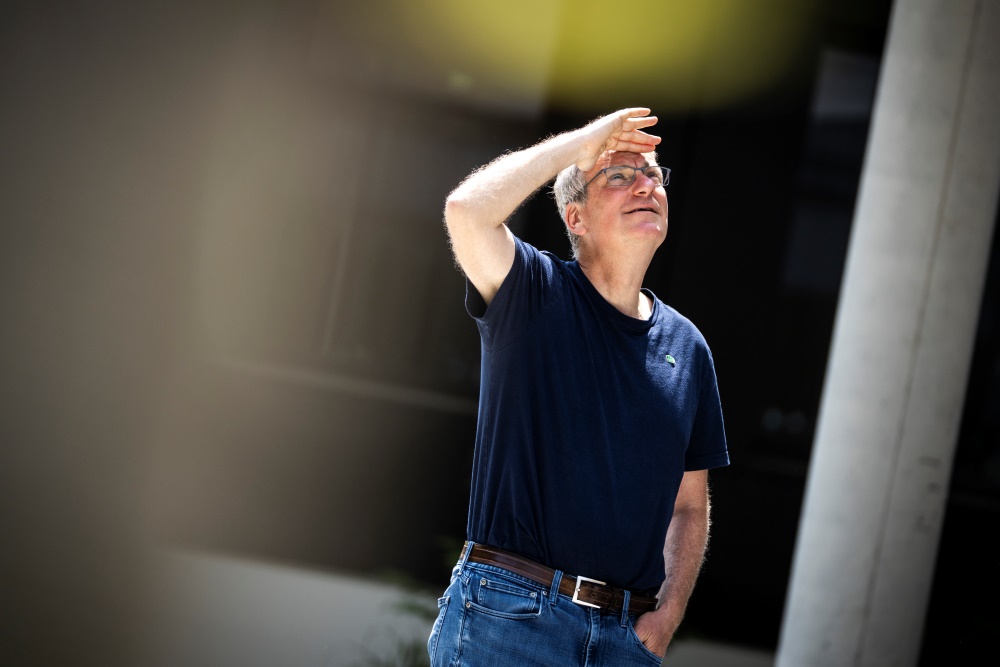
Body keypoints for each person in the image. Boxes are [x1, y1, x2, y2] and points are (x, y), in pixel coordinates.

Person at [427, 108, 729, 666]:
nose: (646, 185)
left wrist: (667, 615)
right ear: (576, 217)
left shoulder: (689, 348)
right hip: (508, 619)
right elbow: (465, 211)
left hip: (625, 639)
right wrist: (583, 144)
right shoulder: (534, 293)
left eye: (654, 176)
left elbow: (689, 504)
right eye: (619, 175)